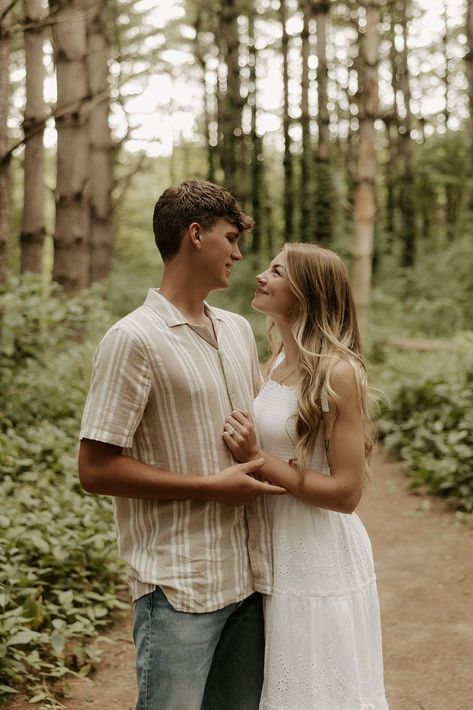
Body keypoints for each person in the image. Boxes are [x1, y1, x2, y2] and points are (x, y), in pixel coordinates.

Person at [78, 179, 286, 710]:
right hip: (179, 588)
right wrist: (208, 486)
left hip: (250, 579)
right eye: (230, 237)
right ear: (196, 235)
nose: (239, 253)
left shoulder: (239, 330)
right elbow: (96, 469)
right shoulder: (133, 339)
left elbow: (265, 437)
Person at [223, 242, 389, 709]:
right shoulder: (275, 360)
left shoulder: (338, 372)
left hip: (317, 550)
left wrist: (258, 458)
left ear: (305, 292)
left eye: (276, 271)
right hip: (271, 541)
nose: (260, 275)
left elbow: (347, 492)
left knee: (315, 689)